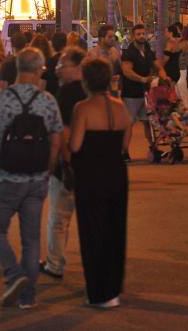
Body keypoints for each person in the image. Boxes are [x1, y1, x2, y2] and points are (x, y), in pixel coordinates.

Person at [0, 47, 62, 310]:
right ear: (39, 70)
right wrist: (47, 170)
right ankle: (28, 297)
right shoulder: (47, 100)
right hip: (36, 178)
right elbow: (56, 142)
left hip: (5, 176)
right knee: (31, 239)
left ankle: (14, 274)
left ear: (16, 68)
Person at [70, 57, 132, 308]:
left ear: (86, 81)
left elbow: (75, 145)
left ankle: (98, 291)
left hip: (91, 175)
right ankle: (113, 289)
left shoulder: (82, 108)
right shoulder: (120, 107)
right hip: (116, 173)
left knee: (93, 231)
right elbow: (125, 144)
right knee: (115, 229)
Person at [40, 47, 87, 280]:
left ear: (77, 67)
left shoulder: (67, 93)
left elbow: (63, 132)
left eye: (62, 65)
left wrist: (64, 164)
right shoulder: (92, 91)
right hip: (92, 164)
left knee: (59, 217)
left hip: (69, 165)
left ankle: (55, 263)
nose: (57, 69)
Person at [120, 24, 164, 160]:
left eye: (143, 34)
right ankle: (124, 152)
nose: (141, 36)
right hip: (131, 94)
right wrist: (142, 79)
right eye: (138, 34)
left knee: (148, 122)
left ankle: (154, 147)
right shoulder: (129, 52)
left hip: (146, 93)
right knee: (129, 124)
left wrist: (164, 76)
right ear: (133, 36)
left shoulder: (148, 50)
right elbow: (126, 71)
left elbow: (157, 65)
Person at [87, 24, 122, 94]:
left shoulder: (114, 51)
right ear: (101, 38)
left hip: (113, 89)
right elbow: (91, 75)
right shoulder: (93, 53)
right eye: (110, 37)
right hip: (98, 91)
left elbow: (120, 69)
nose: (113, 39)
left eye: (113, 36)